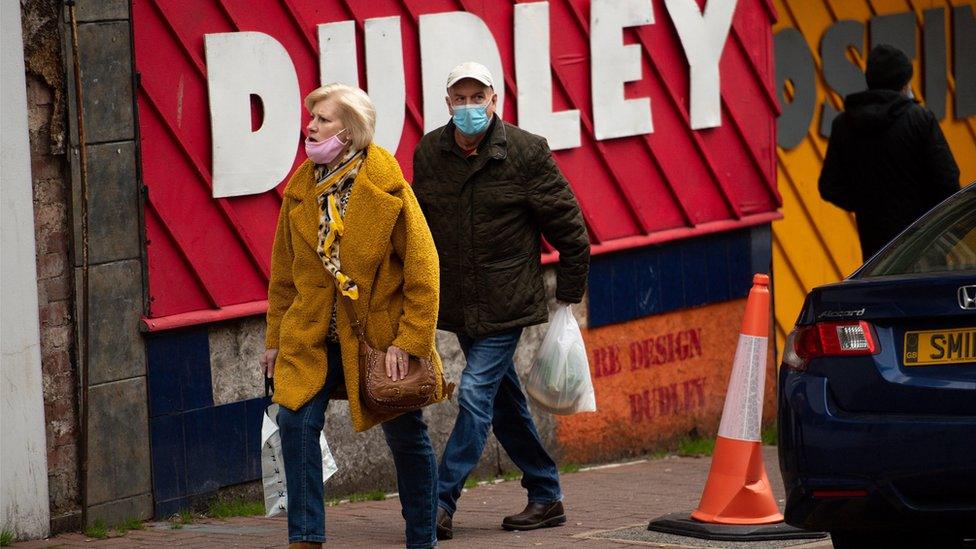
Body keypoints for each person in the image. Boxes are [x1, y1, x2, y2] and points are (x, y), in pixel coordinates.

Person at [260, 83, 448, 549]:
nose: (311, 126)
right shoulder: (300, 190)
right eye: (312, 118)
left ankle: (422, 538)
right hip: (310, 334)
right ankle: (305, 538)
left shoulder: (388, 187)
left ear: (350, 131)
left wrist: (411, 340)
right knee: (295, 424)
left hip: (379, 337)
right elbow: (283, 276)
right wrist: (273, 340)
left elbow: (424, 269)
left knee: (406, 435)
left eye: (322, 119)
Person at [411, 62, 590, 540]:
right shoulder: (430, 152)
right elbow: (417, 231)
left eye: (478, 97)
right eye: (460, 98)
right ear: (447, 103)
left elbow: (572, 231)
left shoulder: (526, 152)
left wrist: (567, 299)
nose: (469, 107)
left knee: (473, 395)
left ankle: (439, 503)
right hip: (459, 303)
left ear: (495, 101)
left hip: (508, 301)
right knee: (503, 402)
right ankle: (547, 494)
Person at [819, 44, 960, 261]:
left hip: (875, 253)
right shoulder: (920, 120)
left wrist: (867, 203)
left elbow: (829, 186)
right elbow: (948, 180)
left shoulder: (844, 124)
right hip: (925, 244)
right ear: (904, 84)